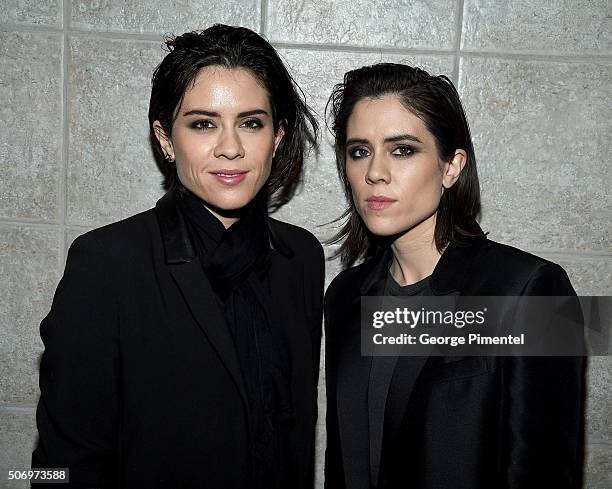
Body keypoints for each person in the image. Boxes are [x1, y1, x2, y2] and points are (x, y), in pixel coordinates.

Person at [32, 24, 324, 489]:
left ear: (279, 136)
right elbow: (59, 469)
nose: (230, 147)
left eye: (251, 122)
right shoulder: (106, 265)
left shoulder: (301, 259)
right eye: (202, 123)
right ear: (166, 138)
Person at [323, 63, 584, 489]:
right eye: (359, 151)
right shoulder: (344, 296)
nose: (375, 172)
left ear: (451, 166)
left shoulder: (533, 291)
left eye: (402, 149)